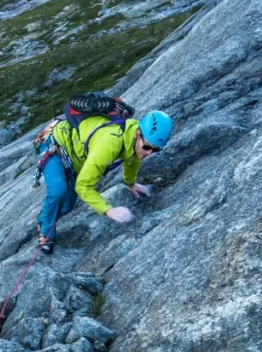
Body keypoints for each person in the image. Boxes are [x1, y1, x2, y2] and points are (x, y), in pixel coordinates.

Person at [35, 107, 173, 253]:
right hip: (55, 144)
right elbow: (83, 186)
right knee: (58, 191)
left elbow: (132, 161)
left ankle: (45, 216)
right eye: (147, 147)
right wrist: (108, 210)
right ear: (138, 133)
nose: (149, 153)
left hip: (76, 157)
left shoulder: (134, 141)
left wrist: (130, 184)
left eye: (155, 150)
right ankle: (46, 234)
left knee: (66, 207)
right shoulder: (111, 143)